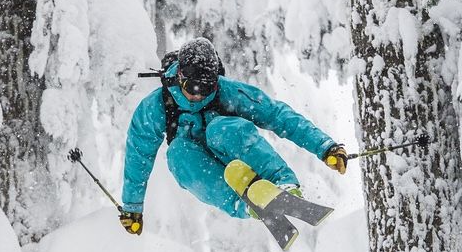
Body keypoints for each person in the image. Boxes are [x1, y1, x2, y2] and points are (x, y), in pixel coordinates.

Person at [118, 37, 348, 234]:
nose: (197, 96)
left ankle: (283, 184)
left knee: (222, 129)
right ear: (179, 77)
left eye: (205, 89)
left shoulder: (228, 91)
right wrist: (132, 207)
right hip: (199, 165)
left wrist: (325, 147)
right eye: (193, 88)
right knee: (177, 152)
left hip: (231, 147)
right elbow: (138, 156)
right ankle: (246, 204)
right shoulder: (156, 106)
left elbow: (278, 115)